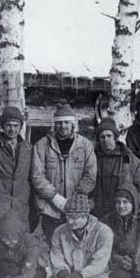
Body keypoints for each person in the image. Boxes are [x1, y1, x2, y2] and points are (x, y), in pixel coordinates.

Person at [41, 194, 117, 278]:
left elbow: (100, 263)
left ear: (85, 216)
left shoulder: (104, 231)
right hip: (69, 275)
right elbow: (56, 256)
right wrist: (62, 273)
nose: (70, 221)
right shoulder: (59, 232)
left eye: (75, 218)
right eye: (68, 217)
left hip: (94, 275)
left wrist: (80, 276)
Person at [31, 103, 97, 243]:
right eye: (59, 123)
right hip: (51, 208)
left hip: (77, 207)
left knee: (76, 245)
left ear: (73, 124)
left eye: (67, 122)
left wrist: (76, 198)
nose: (63, 126)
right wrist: (56, 198)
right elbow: (37, 176)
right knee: (53, 244)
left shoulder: (85, 145)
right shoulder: (42, 145)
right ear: (55, 125)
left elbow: (90, 174)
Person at [0, 106, 33, 239]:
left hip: (20, 207)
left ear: (21, 127)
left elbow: (31, 178)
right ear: (2, 126)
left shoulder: (28, 148)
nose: (12, 129)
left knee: (20, 246)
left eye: (16, 125)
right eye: (8, 125)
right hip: (0, 206)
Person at [102, 183, 140, 278]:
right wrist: (117, 258)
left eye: (125, 202)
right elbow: (102, 248)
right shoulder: (107, 221)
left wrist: (135, 260)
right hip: (118, 266)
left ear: (133, 203)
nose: (121, 206)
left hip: (139, 265)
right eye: (118, 202)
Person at [92, 117, 140, 219]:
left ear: (115, 137)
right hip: (99, 212)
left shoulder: (128, 158)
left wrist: (137, 207)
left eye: (109, 136)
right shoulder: (92, 159)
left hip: (123, 210)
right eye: (102, 137)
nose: (106, 140)